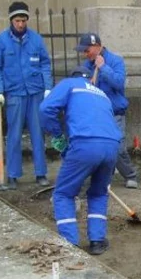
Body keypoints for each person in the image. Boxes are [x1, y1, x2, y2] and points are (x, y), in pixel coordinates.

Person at [38, 66, 121, 255]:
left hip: (85, 143)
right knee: (99, 193)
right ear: (89, 79)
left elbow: (45, 108)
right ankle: (97, 241)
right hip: (112, 145)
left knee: (63, 194)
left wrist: (57, 136)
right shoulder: (101, 93)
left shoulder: (69, 84)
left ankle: (70, 243)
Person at [0, 1, 52, 190]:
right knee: (14, 136)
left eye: (24, 20)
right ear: (11, 20)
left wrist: (48, 87)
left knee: (37, 135)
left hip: (35, 92)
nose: (21, 24)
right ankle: (13, 175)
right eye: (17, 20)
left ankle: (41, 173)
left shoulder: (36, 39)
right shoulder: (1, 40)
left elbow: (45, 64)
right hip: (14, 93)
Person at [75, 32, 138, 189]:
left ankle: (130, 175)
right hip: (97, 114)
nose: (85, 53)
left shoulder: (115, 61)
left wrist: (103, 67)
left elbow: (118, 83)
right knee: (100, 147)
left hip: (115, 112)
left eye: (87, 50)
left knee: (117, 147)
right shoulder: (86, 66)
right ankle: (104, 178)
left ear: (97, 47)